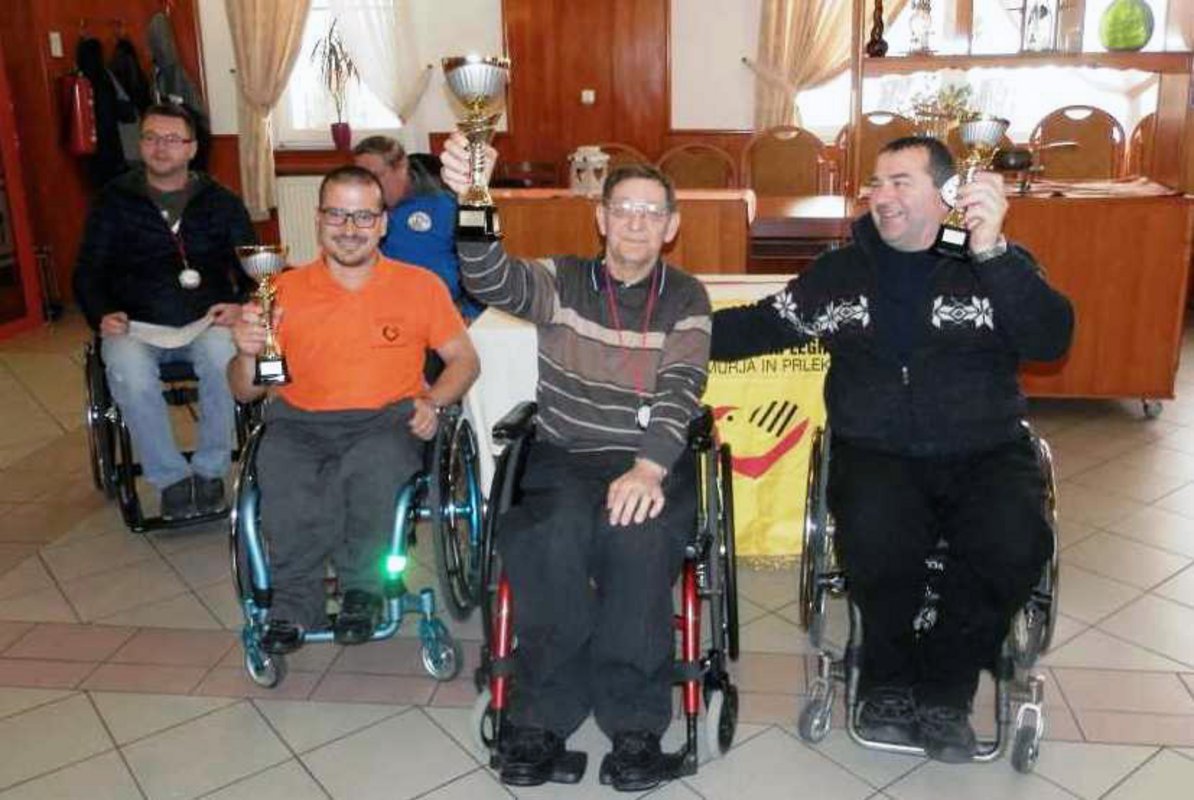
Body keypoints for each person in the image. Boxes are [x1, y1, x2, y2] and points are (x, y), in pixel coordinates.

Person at [712, 136, 1073, 763]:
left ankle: (946, 690)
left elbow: (1050, 338)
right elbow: (759, 326)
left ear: (946, 193)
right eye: (876, 183)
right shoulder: (839, 273)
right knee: (878, 541)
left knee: (1015, 542)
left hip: (985, 447)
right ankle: (886, 681)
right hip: (877, 448)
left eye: (901, 181)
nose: (882, 195)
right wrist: (661, 322)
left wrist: (992, 252)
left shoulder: (992, 263)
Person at [441, 134, 711, 792]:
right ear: (601, 218)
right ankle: (541, 714)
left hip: (649, 460)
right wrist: (474, 198)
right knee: (548, 537)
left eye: (651, 212)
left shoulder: (686, 296)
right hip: (565, 453)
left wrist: (649, 468)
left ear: (671, 226)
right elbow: (487, 278)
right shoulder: (560, 281)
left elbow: (682, 389)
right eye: (624, 209)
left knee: (637, 540)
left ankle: (635, 723)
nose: (637, 222)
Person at [228, 166, 479, 654]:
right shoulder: (281, 291)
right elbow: (246, 392)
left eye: (363, 216)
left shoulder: (420, 286)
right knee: (285, 476)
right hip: (299, 421)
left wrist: (433, 400)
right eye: (337, 215)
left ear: (383, 223)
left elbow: (464, 361)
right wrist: (245, 354)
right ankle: (293, 603)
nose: (349, 228)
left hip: (386, 420)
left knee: (372, 468)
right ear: (318, 219)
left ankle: (362, 589)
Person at [73, 103, 255, 520]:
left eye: (172, 139)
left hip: (207, 319)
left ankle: (210, 471)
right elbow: (88, 270)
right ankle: (170, 478)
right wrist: (101, 313)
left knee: (224, 360)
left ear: (192, 148)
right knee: (130, 374)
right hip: (134, 323)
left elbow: (252, 267)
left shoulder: (221, 202)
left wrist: (240, 304)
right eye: (152, 137)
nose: (160, 147)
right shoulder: (114, 200)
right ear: (141, 145)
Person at [352, 136, 483, 320]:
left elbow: (480, 264)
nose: (368, 186)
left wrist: (469, 315)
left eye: (375, 176)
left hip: (444, 314)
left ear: (402, 167)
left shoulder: (446, 204)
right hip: (384, 316)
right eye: (362, 179)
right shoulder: (357, 212)